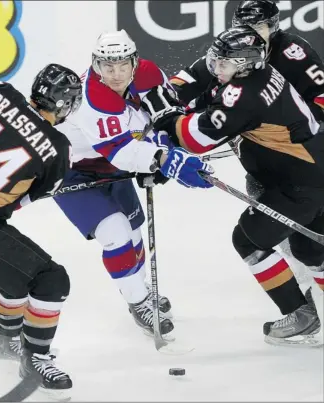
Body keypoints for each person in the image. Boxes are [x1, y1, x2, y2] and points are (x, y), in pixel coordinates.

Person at [141, 25, 324, 346]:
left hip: (299, 186)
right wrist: (175, 99)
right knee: (309, 248)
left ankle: (300, 316)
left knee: (249, 239)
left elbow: (196, 138)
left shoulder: (245, 95)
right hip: (311, 173)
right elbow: (206, 87)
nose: (215, 66)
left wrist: (164, 116)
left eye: (223, 63)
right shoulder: (259, 74)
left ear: (244, 64)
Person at [55, 29, 213, 338]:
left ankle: (140, 290)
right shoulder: (91, 98)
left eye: (122, 66)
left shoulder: (149, 73)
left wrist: (164, 143)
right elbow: (123, 152)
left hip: (114, 170)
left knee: (134, 232)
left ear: (134, 62)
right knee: (115, 233)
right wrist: (165, 159)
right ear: (95, 65)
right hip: (74, 172)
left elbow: (160, 115)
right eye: (107, 67)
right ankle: (138, 302)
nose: (115, 75)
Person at [0, 64, 83, 395]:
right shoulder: (58, 149)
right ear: (67, 105)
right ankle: (36, 357)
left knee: (13, 272)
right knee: (50, 278)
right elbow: (31, 196)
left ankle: (5, 342)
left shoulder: (0, 93)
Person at [170, 0, 324, 198]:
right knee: (262, 186)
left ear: (273, 27)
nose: (250, 32)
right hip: (256, 138)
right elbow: (186, 81)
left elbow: (321, 96)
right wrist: (167, 104)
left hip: (302, 139)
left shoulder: (294, 52)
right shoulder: (229, 49)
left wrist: (298, 127)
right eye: (243, 26)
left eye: (258, 27)